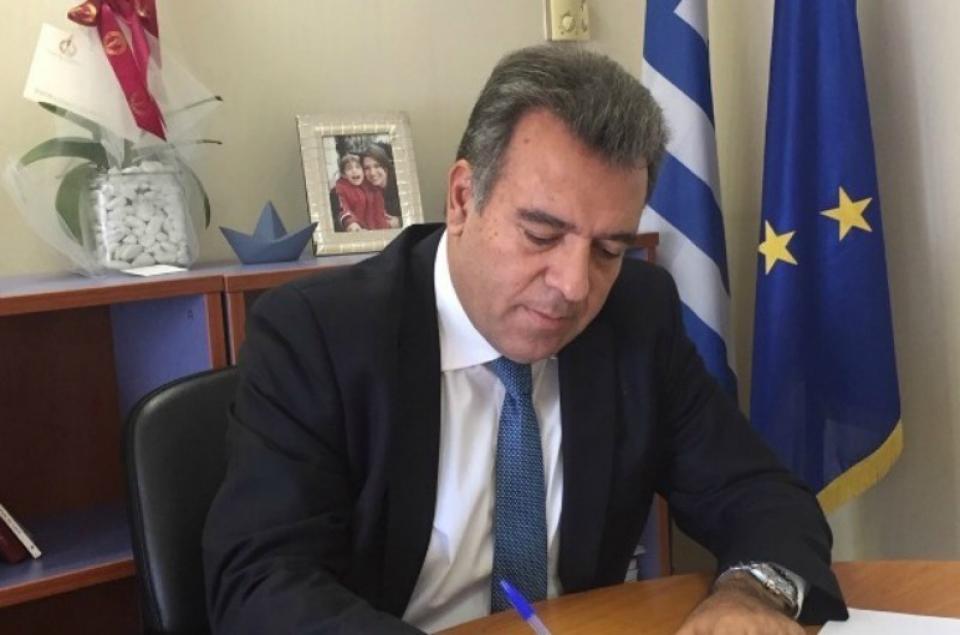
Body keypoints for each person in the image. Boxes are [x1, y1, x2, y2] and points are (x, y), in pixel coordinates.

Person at [203, 45, 848, 634]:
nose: (573, 285)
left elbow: (759, 494)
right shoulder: (318, 335)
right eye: (542, 235)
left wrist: (752, 592)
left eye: (609, 249)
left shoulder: (636, 315)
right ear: (463, 199)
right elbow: (264, 584)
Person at [332, 152, 394, 231]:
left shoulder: (371, 186)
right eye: (349, 168)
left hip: (380, 230)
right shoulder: (341, 188)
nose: (354, 171)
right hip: (359, 230)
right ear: (344, 175)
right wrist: (350, 222)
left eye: (358, 167)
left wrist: (385, 223)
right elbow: (343, 209)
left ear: (363, 171)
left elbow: (379, 208)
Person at [362, 143, 403, 228]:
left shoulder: (401, 185)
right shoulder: (365, 188)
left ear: (385, 167)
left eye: (377, 166)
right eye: (367, 168)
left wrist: (400, 221)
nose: (372, 173)